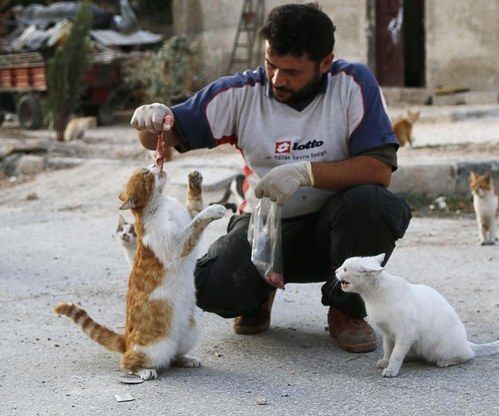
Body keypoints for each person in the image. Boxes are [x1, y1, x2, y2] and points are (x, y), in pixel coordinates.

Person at [130, 2, 411, 353]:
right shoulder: (242, 93)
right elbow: (169, 132)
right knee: (211, 287)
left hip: (336, 230)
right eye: (271, 65)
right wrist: (150, 121)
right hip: (266, 231)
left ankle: (346, 309)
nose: (277, 80)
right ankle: (256, 296)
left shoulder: (352, 84)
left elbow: (379, 169)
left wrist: (305, 172)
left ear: (325, 63)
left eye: (292, 71)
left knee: (373, 205)